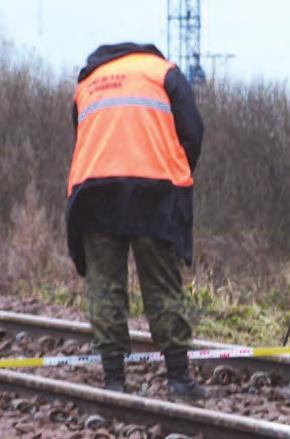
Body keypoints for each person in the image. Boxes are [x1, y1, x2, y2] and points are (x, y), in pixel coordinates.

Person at [66, 42, 206, 398]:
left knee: (104, 286)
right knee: (162, 284)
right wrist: (175, 169)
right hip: (153, 191)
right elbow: (193, 130)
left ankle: (114, 381)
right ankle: (178, 379)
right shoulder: (163, 72)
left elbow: (81, 139)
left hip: (94, 192)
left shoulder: (88, 83)